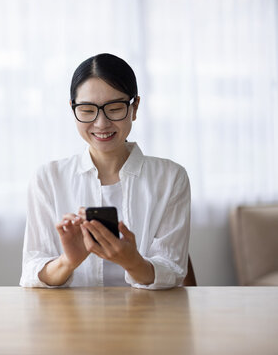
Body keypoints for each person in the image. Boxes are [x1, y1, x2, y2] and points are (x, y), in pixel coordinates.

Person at [19, 53, 190, 289]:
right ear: (73, 109)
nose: (101, 123)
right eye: (88, 110)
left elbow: (174, 270)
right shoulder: (48, 179)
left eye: (115, 108)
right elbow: (31, 272)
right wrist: (67, 261)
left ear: (135, 107)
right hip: (72, 320)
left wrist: (133, 263)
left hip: (148, 318)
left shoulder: (170, 178)